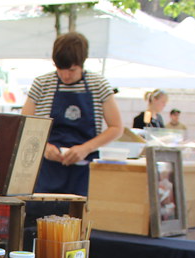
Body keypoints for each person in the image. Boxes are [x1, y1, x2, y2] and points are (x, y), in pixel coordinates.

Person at [23, 31, 124, 196]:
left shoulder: (98, 85)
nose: (65, 75)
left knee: (80, 219)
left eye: (71, 70)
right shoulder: (41, 84)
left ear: (82, 63)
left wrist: (85, 148)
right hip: (46, 172)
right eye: (59, 69)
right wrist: (43, 147)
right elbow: (24, 126)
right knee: (40, 219)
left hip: (83, 173)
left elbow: (116, 128)